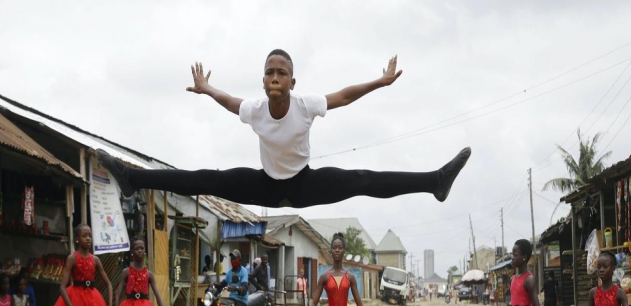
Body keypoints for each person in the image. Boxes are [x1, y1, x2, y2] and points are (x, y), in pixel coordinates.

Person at [96, 51, 471, 208]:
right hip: (264, 185)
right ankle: (131, 177)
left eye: (282, 73)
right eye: (270, 72)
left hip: (306, 184)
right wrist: (208, 88)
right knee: (204, 178)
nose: (275, 77)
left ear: (292, 81)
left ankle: (435, 181)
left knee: (362, 179)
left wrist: (380, 81)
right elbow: (230, 103)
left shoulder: (305, 105)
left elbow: (343, 95)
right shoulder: (256, 109)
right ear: (263, 81)